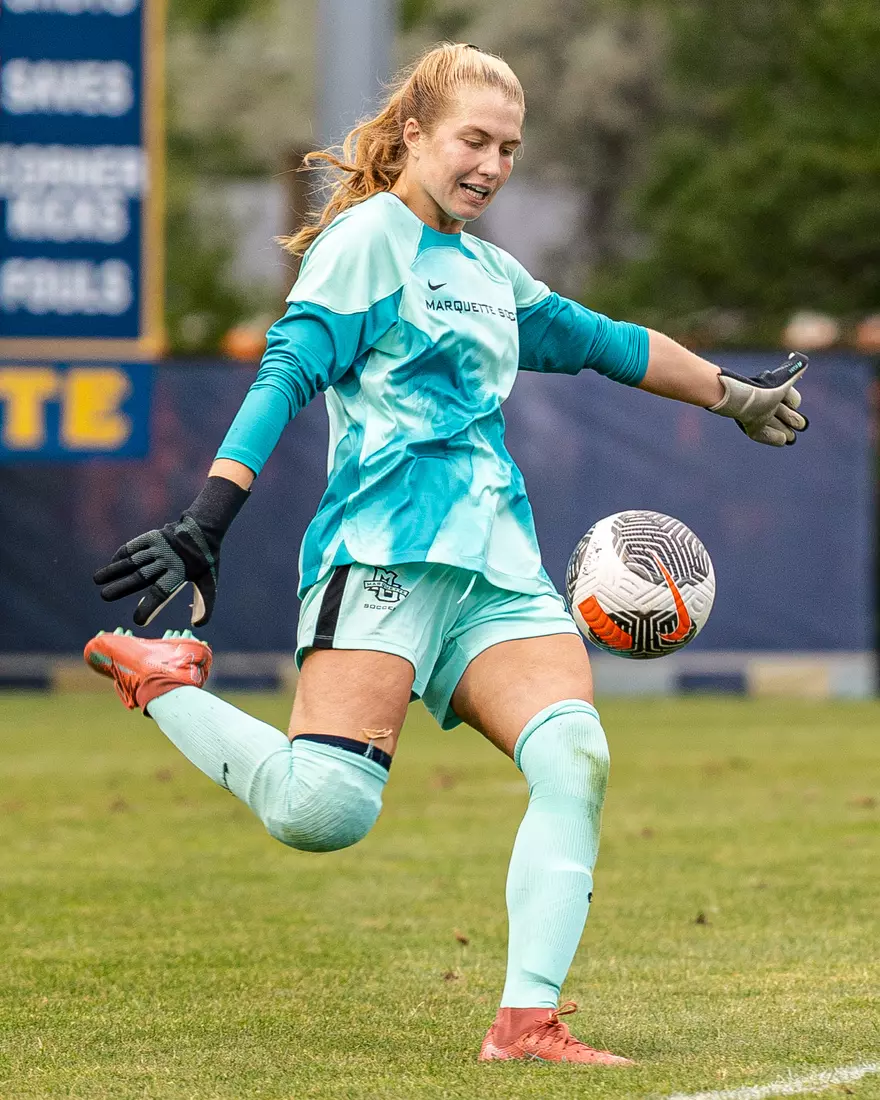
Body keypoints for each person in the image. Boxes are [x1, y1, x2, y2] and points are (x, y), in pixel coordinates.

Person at [85, 43, 808, 1065]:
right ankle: (159, 677)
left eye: (510, 147)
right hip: (382, 554)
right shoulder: (365, 243)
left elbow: (607, 341)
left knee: (574, 756)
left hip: (497, 569)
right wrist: (209, 517)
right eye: (475, 139)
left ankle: (525, 1021)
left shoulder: (483, 270)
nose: (493, 164)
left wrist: (733, 396)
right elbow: (286, 373)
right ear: (415, 134)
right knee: (322, 810)